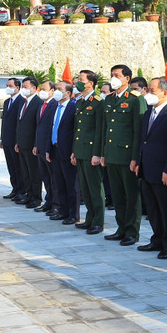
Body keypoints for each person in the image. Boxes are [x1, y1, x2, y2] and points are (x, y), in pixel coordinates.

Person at [98, 64, 147, 247]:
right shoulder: (109, 99)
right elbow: (105, 129)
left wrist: (135, 158)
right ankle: (121, 228)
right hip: (112, 155)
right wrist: (104, 153)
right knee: (117, 195)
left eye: (117, 75)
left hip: (127, 156)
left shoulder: (135, 99)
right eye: (112, 75)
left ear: (127, 78)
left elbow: (138, 131)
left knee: (131, 196)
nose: (113, 78)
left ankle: (132, 232)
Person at [137, 78, 167, 259]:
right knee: (153, 208)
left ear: (164, 92)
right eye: (148, 90)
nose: (148, 93)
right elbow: (143, 140)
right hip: (147, 168)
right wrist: (139, 162)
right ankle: (157, 239)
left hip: (163, 170)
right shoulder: (149, 112)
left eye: (152, 90)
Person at [72, 71, 104, 233]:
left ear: (90, 83)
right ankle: (89, 219)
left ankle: (98, 221)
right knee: (85, 188)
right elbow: (77, 130)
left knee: (95, 188)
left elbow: (99, 131)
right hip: (81, 150)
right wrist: (74, 151)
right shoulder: (80, 102)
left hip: (92, 152)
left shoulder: (98, 102)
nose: (78, 82)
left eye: (81, 80)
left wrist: (97, 153)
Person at [49, 81, 78, 224]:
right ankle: (63, 211)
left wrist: (74, 151)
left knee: (71, 185)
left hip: (67, 151)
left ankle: (73, 214)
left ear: (68, 93)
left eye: (60, 89)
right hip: (55, 149)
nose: (56, 91)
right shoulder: (55, 106)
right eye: (56, 89)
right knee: (59, 183)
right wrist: (48, 149)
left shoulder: (73, 107)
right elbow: (52, 128)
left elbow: (76, 131)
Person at [14, 77, 43, 208]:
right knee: (25, 171)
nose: (24, 89)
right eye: (23, 87)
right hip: (22, 143)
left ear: (34, 88)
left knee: (34, 172)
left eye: (26, 87)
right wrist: (17, 141)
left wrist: (36, 144)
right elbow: (19, 123)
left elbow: (38, 125)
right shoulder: (23, 102)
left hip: (31, 144)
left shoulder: (38, 102)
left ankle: (36, 198)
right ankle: (28, 194)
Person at [33, 81, 59, 214]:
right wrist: (36, 144)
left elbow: (52, 128)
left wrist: (48, 147)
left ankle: (56, 204)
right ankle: (48, 202)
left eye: (44, 89)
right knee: (45, 177)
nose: (41, 91)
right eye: (41, 89)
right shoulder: (41, 105)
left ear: (52, 91)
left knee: (54, 178)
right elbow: (39, 127)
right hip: (40, 147)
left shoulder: (55, 105)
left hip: (50, 148)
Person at [1, 78, 23, 199]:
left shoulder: (21, 101)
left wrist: (17, 141)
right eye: (7, 85)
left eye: (10, 86)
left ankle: (21, 190)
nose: (8, 88)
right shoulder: (7, 102)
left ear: (17, 88)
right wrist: (2, 138)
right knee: (11, 166)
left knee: (18, 167)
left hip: (15, 140)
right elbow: (4, 121)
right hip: (6, 139)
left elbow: (19, 123)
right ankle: (14, 188)